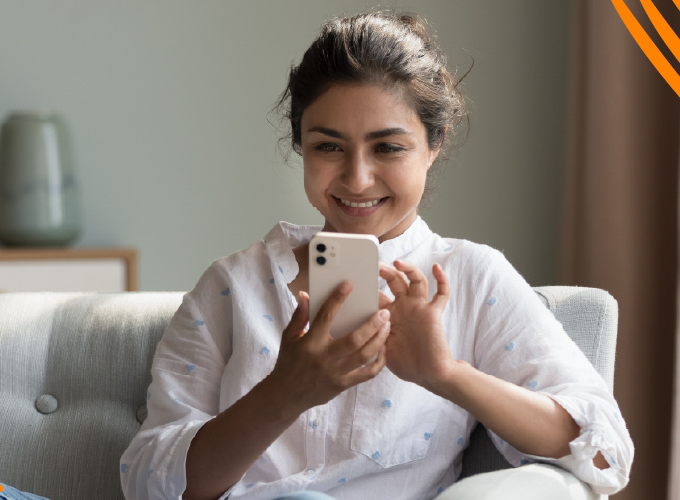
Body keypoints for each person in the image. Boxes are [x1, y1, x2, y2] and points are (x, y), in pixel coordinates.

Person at [120, 11, 632, 500]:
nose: (357, 178)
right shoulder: (234, 284)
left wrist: (446, 374)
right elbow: (146, 485)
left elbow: (607, 453)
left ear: (434, 144)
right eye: (328, 147)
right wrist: (284, 394)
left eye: (387, 148)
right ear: (300, 144)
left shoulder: (471, 278)